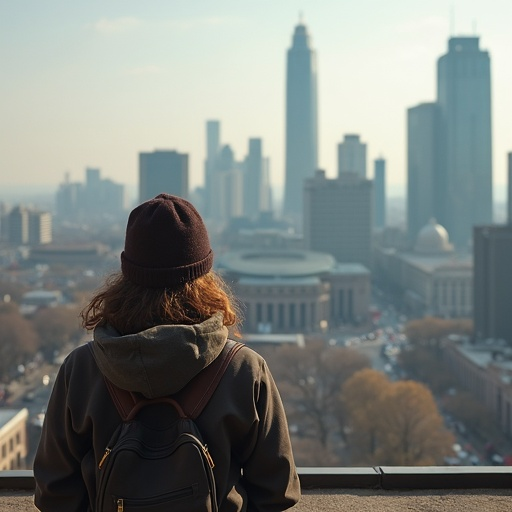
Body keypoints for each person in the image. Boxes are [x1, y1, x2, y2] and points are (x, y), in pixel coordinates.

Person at [33, 193, 301, 511]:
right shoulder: (243, 369)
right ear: (205, 278)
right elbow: (276, 492)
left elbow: (53, 492)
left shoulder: (81, 369)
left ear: (127, 276)